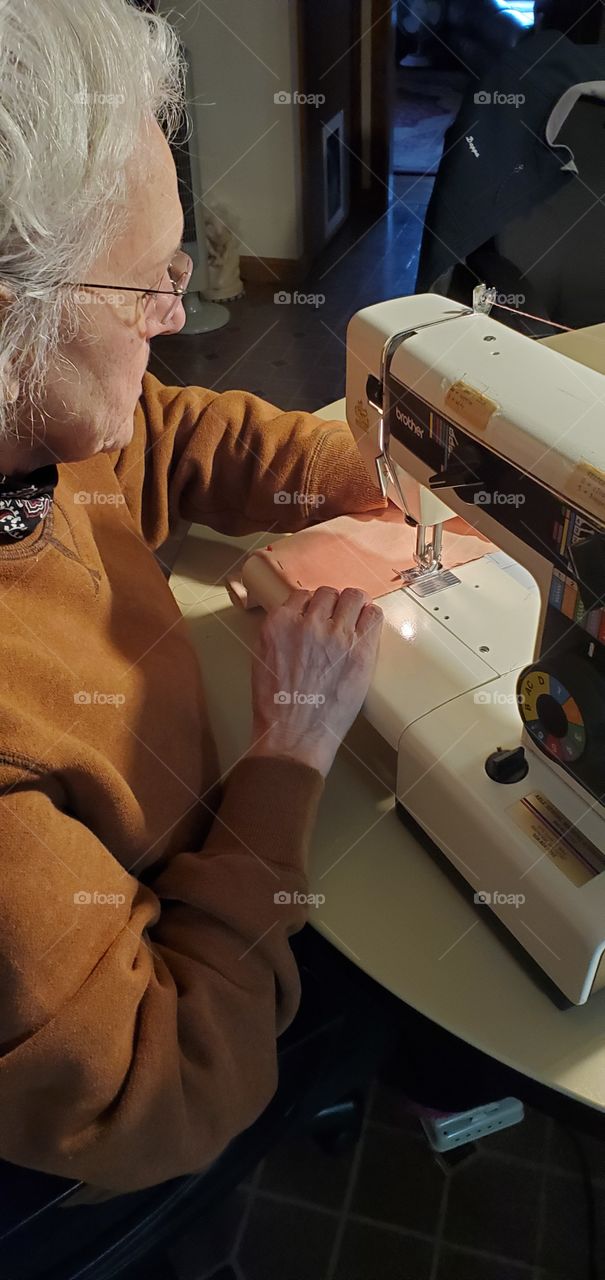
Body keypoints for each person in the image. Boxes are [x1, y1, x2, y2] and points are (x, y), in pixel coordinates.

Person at [0, 0, 386, 1197]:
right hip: (145, 1072)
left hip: (195, 860)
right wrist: (286, 757)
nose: (178, 317)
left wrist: (368, 476)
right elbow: (155, 1090)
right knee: (398, 995)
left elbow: (151, 437)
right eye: (148, 288)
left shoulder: (37, 428)